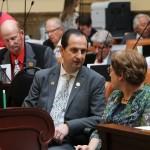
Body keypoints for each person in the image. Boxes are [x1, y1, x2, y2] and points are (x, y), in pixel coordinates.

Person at [22, 29, 106, 150]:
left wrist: (69, 127)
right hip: (38, 138)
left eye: (83, 51)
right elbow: (27, 110)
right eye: (74, 50)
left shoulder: (95, 80)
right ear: (62, 50)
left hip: (68, 142)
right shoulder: (42, 76)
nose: (79, 56)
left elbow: (99, 118)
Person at [76, 50, 150, 150]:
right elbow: (101, 129)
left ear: (121, 75)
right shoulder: (115, 95)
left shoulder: (147, 97)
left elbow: (144, 139)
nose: (109, 75)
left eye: (110, 70)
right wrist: (90, 148)